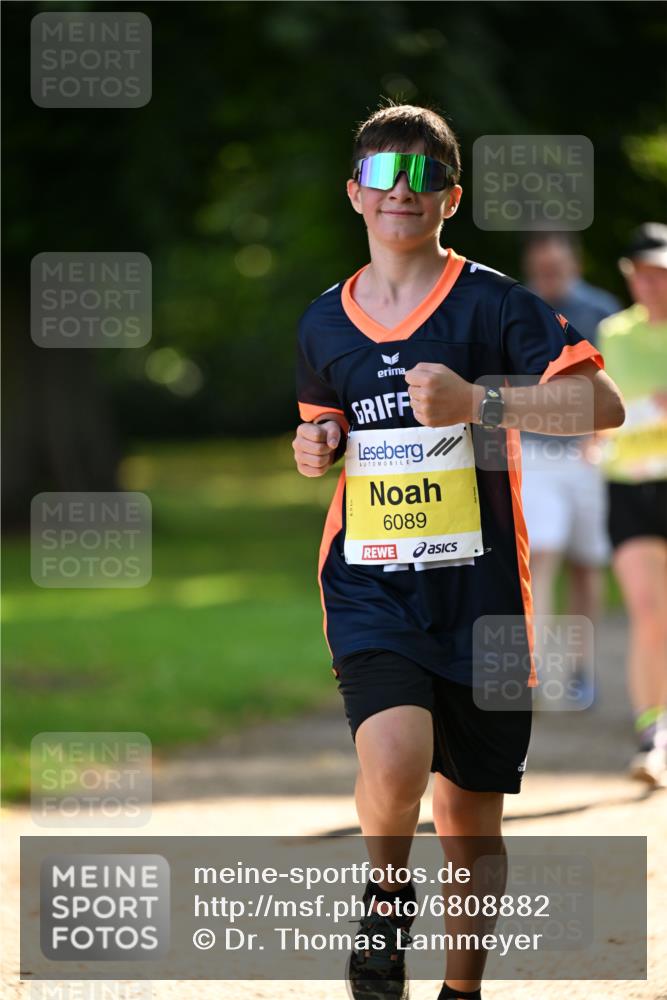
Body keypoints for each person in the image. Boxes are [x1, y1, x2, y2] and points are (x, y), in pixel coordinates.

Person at [292, 102, 624, 1000]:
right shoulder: (325, 322)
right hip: (372, 583)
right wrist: (311, 447)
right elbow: (321, 429)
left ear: (451, 197)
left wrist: (482, 404)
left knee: (470, 818)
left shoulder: (494, 305)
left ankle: (459, 990)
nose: (401, 193)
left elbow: (602, 410)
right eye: (382, 177)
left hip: (483, 598)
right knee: (394, 759)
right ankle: (386, 892)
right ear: (354, 193)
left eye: (422, 178)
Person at [520, 233, 620, 707]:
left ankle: (581, 669)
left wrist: (602, 441)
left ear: (573, 264)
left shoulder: (601, 311)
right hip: (536, 454)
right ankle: (537, 666)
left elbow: (618, 388)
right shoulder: (515, 310)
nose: (549, 279)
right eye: (542, 271)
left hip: (587, 454)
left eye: (556, 269)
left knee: (586, 564)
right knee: (543, 554)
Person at [597, 222, 667, 787]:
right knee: (647, 610)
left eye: (662, 273)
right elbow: (606, 409)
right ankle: (654, 734)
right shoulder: (612, 333)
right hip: (629, 486)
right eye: (643, 274)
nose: (653, 283)